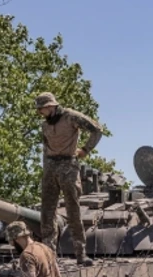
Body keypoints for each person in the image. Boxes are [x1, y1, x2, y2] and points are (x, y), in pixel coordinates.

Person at [34, 92, 103, 266]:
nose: (40, 113)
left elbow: (97, 130)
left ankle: (81, 254)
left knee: (73, 210)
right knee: (47, 213)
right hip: (50, 167)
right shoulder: (45, 125)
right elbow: (45, 148)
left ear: (50, 106)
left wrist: (85, 150)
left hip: (68, 165)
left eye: (41, 109)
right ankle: (49, 256)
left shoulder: (71, 117)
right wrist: (46, 170)